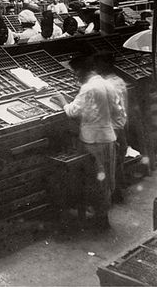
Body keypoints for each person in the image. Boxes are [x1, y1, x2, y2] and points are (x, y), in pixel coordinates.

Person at [51, 54, 125, 230]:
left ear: (81, 71)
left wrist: (62, 101)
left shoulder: (88, 88)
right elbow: (118, 112)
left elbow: (72, 111)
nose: (75, 76)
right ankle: (103, 216)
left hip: (92, 141)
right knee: (106, 178)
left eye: (75, 73)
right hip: (108, 137)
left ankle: (100, 219)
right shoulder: (107, 84)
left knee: (94, 179)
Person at [93, 53, 129, 203]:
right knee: (117, 160)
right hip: (120, 126)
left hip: (111, 129)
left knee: (109, 163)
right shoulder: (118, 80)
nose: (95, 67)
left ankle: (111, 195)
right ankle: (118, 191)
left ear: (105, 65)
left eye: (98, 64)